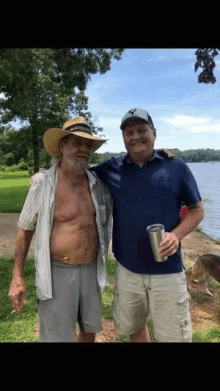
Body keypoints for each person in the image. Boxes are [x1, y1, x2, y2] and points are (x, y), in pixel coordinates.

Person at [91, 108, 204, 342]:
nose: (135, 137)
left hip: (168, 270)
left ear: (154, 133)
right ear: (123, 139)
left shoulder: (176, 167)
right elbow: (77, 174)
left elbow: (196, 210)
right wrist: (46, 175)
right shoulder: (110, 168)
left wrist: (176, 235)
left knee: (174, 336)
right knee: (134, 327)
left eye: (142, 130)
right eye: (129, 132)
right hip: (127, 269)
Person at [8, 116, 113, 342]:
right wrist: (17, 277)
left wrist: (156, 155)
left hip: (92, 270)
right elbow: (24, 230)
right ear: (62, 147)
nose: (83, 149)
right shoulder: (43, 184)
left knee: (89, 330)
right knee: (57, 336)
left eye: (88, 144)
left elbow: (132, 171)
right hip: (57, 273)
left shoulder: (99, 183)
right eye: (76, 143)